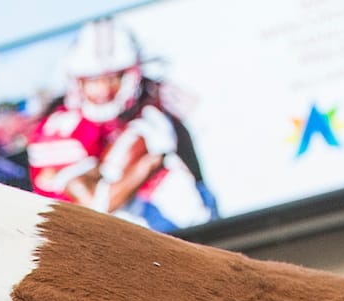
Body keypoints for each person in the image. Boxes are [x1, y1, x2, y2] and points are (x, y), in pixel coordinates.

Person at [21, 18, 217, 232]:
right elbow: (97, 205)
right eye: (94, 81)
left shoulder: (151, 105)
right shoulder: (60, 129)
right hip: (83, 241)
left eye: (113, 78)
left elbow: (195, 170)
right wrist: (150, 162)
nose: (104, 90)